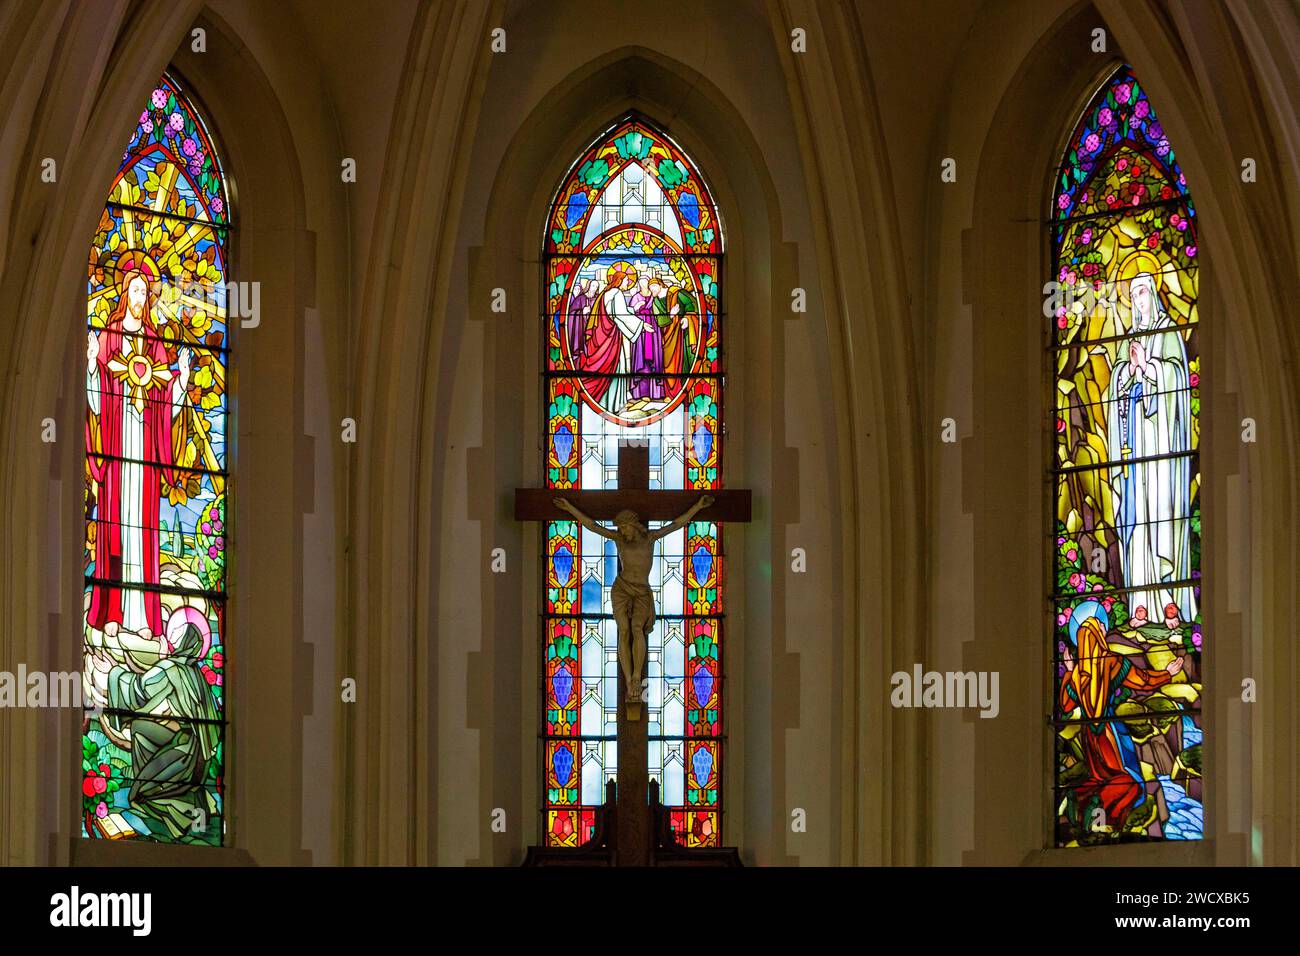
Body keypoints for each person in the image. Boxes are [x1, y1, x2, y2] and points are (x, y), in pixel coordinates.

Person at [553, 494, 714, 708]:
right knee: (624, 630)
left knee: (637, 628)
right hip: (621, 589)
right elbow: (592, 526)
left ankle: (637, 676)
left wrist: (697, 507)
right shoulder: (619, 540)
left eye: (624, 528)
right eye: (619, 530)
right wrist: (569, 509)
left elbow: (677, 524)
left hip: (642, 591)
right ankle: (629, 681)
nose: (621, 532)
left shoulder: (650, 538)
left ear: (633, 525)